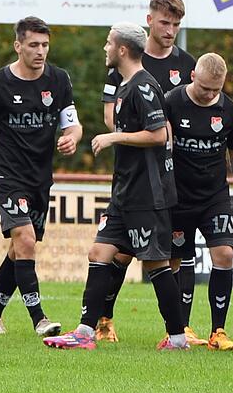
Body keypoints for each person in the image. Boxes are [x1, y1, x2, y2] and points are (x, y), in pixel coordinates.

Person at [43, 22, 186, 351]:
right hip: (125, 193)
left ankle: (178, 338)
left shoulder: (143, 86)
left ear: (122, 49)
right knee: (99, 252)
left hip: (147, 194)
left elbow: (159, 134)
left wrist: (114, 137)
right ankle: (84, 333)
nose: (104, 49)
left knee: (155, 265)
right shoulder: (124, 86)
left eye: (108, 43)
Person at [0, 16, 82, 337]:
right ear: (17, 45)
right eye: (33, 45)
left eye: (45, 45)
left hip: (40, 177)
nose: (40, 52)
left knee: (18, 249)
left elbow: (73, 123)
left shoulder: (59, 80)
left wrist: (73, 137)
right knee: (25, 239)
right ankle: (40, 319)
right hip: (8, 173)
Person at [96, 0, 198, 344]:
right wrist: (121, 137)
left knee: (173, 255)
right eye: (165, 22)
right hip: (137, 175)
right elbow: (113, 116)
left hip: (174, 174)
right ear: (150, 20)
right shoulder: (129, 67)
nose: (170, 30)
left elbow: (193, 114)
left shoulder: (187, 65)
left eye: (176, 24)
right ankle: (103, 320)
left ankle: (179, 330)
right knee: (120, 254)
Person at [165, 52, 233, 351]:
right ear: (193, 76)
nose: (210, 95)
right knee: (178, 259)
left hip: (214, 197)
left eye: (216, 90)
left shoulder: (228, 109)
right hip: (177, 197)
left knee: (225, 255)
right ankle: (182, 328)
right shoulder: (172, 102)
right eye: (205, 88)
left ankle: (219, 331)